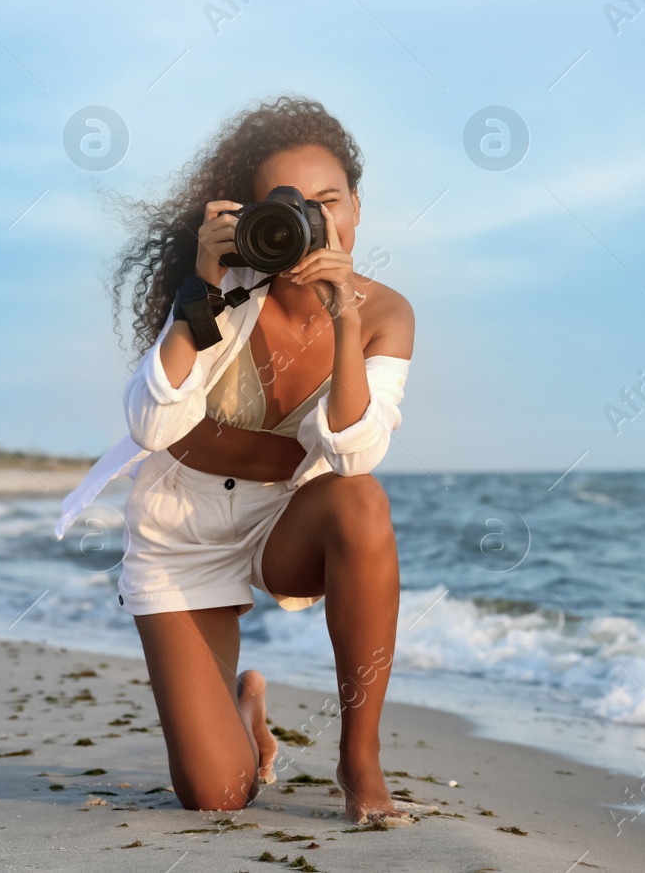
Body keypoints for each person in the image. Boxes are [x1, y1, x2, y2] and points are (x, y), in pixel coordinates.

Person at [56, 96, 415, 824]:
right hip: (178, 528)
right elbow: (153, 422)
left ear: (356, 207)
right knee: (217, 795)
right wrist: (201, 288)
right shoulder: (224, 292)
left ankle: (361, 758)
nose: (313, 220)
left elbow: (353, 450)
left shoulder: (384, 312)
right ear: (251, 218)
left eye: (329, 201)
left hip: (280, 522)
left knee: (363, 499)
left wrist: (342, 312)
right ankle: (245, 709)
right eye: (287, 206)